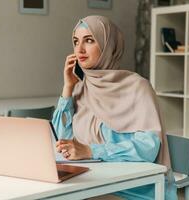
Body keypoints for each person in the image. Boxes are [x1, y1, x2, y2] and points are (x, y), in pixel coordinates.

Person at [52, 15, 177, 200]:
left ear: (107, 46)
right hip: (89, 181)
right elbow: (60, 140)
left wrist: (91, 150)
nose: (80, 49)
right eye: (76, 41)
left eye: (89, 40)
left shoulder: (137, 87)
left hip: (133, 188)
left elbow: (149, 147)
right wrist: (67, 89)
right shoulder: (80, 88)